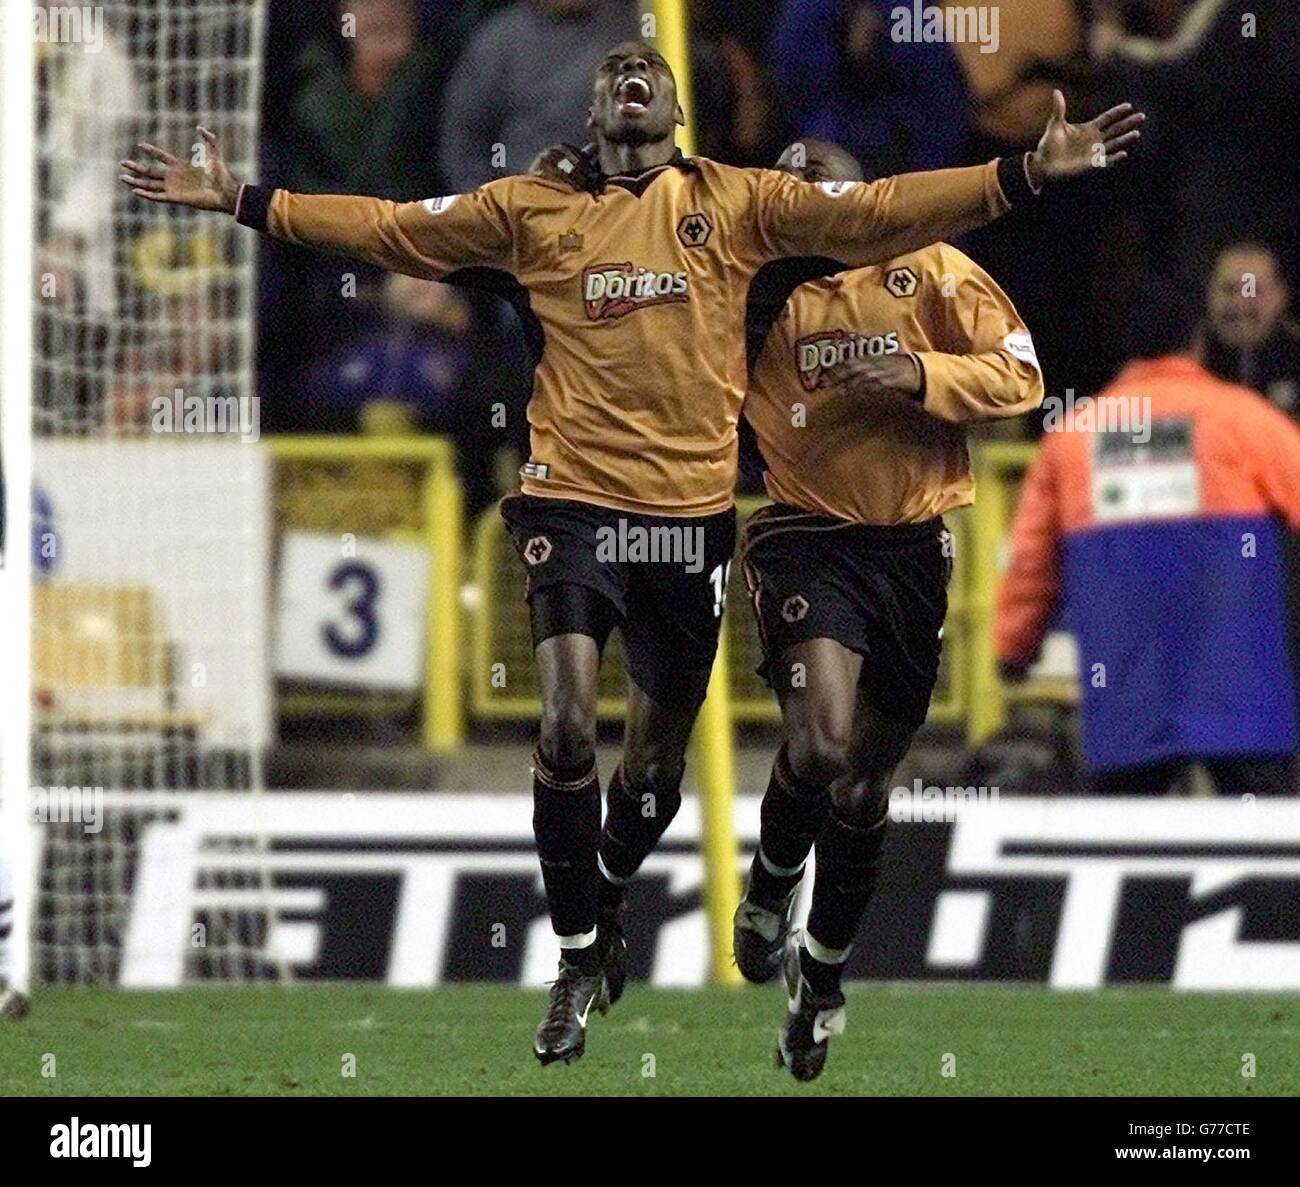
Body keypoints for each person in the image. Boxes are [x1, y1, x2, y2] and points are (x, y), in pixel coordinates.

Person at [120, 42, 1142, 1067]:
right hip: (579, 506)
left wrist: (1020, 173)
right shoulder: (533, 208)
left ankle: (660, 905)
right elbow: (392, 227)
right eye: (613, 67)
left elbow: (885, 220)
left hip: (698, 524)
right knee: (569, 723)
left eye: (648, 64)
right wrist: (247, 200)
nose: (630, 73)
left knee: (667, 775)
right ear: (597, 107)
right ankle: (575, 953)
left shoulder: (743, 212)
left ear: (680, 110)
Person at [733, 139, 1044, 1082]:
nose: (808, 207)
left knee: (866, 788)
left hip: (910, 548)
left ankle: (820, 982)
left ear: (864, 200)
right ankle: (772, 880)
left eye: (826, 189)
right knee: (822, 746)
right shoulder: (754, 290)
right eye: (792, 192)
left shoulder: (935, 272)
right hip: (802, 533)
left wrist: (924, 377)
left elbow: (1023, 371)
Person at [995, 286, 1300, 796]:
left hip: (1125, 685)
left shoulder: (1074, 435)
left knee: (1126, 836)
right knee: (1263, 839)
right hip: (1237, 683)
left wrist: (1014, 646)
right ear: (1197, 343)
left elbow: (1031, 560)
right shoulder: (1244, 419)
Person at [1201, 243, 1300, 418]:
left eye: (1252, 291)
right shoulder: (1181, 360)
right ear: (1209, 294)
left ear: (1280, 297)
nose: (1241, 304)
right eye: (1229, 290)